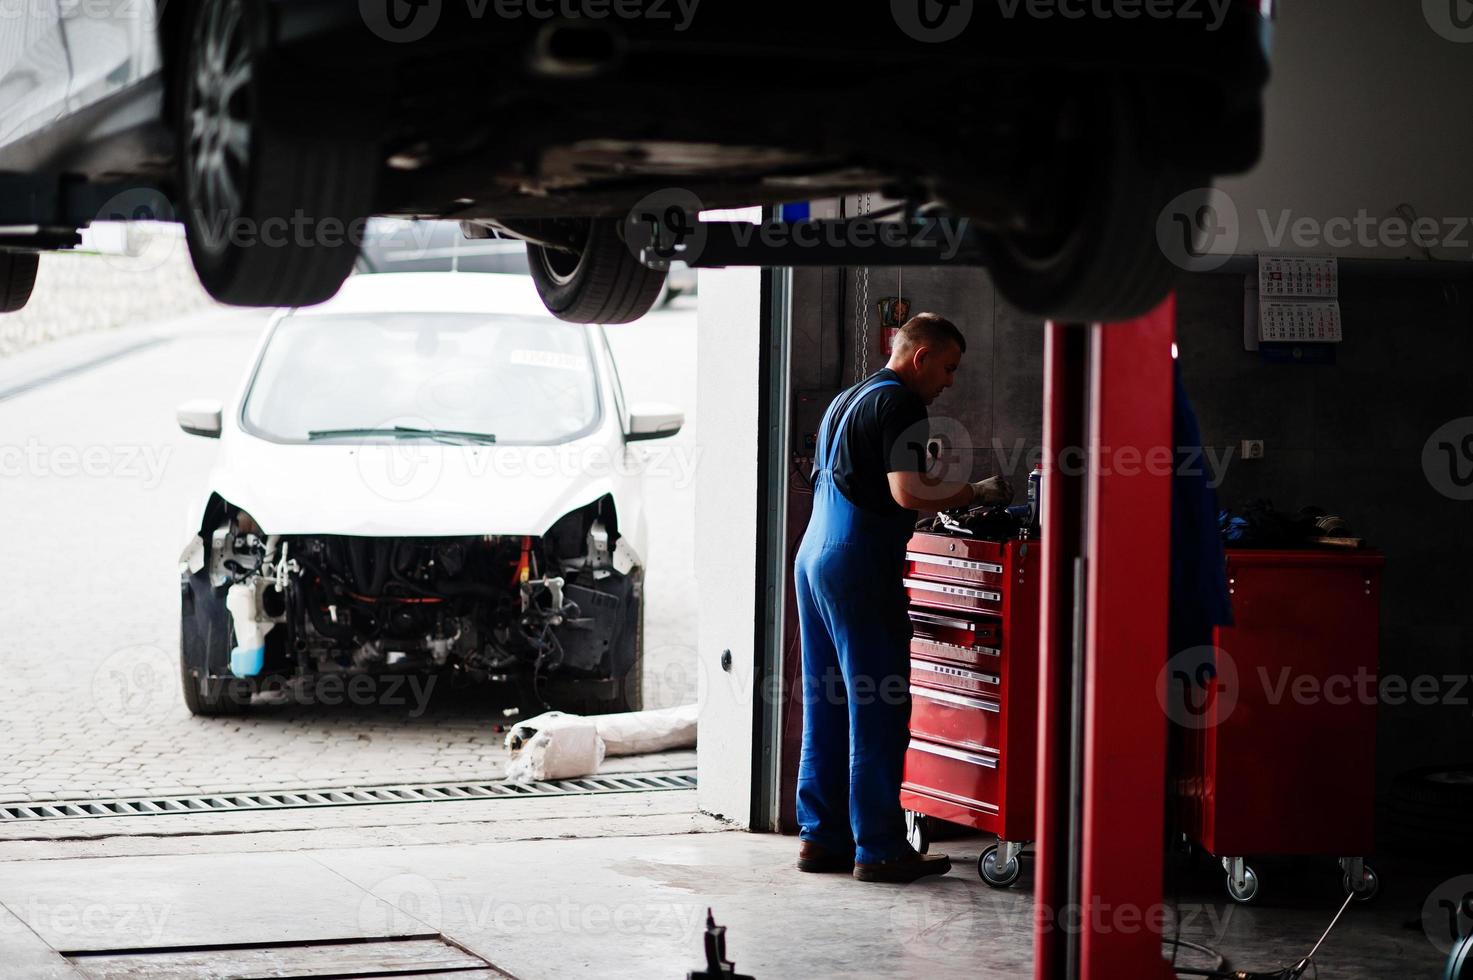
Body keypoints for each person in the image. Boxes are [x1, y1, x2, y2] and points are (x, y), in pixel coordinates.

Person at [794, 312, 1012, 883]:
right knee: (879, 708)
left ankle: (822, 839)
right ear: (920, 357)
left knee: (828, 703)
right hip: (858, 562)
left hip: (814, 556)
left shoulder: (849, 398)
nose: (949, 381)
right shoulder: (901, 405)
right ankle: (882, 849)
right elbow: (909, 491)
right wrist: (974, 491)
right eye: (947, 368)